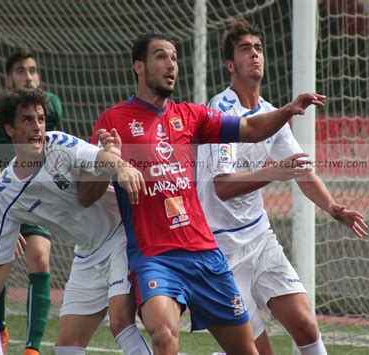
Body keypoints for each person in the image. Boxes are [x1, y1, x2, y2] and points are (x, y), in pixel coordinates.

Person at [89, 30, 325, 355]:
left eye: (174, 58)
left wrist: (287, 110)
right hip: (156, 256)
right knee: (163, 333)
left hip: (205, 253)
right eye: (161, 56)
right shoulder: (113, 120)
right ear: (138, 67)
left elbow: (253, 130)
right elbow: (86, 194)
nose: (171, 64)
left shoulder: (192, 115)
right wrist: (109, 163)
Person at [196, 19, 369, 355]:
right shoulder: (220, 113)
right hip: (221, 250)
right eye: (245, 50)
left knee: (306, 326)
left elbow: (301, 170)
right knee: (256, 352)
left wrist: (333, 208)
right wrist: (276, 172)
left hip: (260, 239)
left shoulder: (271, 114)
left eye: (258, 49)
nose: (255, 55)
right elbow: (223, 187)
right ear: (230, 64)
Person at [0, 88, 152, 355]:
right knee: (67, 346)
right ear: (9, 128)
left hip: (120, 236)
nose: (37, 127)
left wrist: (120, 165)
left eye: (41, 119)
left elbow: (99, 157)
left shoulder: (58, 144)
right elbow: (0, 267)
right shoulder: (5, 194)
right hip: (87, 253)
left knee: (120, 320)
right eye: (27, 120)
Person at [0, 49, 62, 355]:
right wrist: (5, 214)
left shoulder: (50, 106)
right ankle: (0, 326)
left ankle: (33, 348)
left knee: (40, 256)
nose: (28, 76)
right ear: (9, 79)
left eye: (33, 70)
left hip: (34, 192)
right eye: (21, 71)